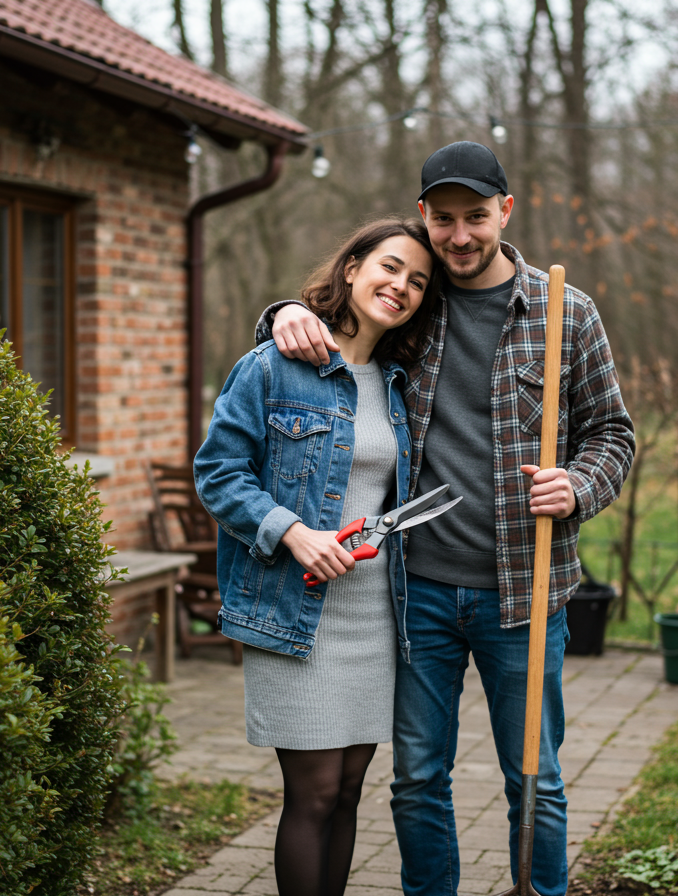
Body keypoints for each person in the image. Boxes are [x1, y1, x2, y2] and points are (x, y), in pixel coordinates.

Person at [256, 142, 635, 896]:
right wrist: (285, 312)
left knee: (537, 780)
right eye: (444, 219)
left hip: (523, 593)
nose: (460, 236)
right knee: (418, 779)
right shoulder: (412, 304)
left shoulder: (567, 312)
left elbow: (613, 434)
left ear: (506, 212)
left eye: (476, 217)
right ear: (424, 216)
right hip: (415, 592)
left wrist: (579, 486)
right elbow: (339, 325)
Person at [194, 218, 442, 896]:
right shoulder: (274, 364)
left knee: (349, 791)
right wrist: (293, 531)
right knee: (312, 794)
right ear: (354, 266)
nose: (402, 286)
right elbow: (217, 472)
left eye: (418, 281)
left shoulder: (400, 381)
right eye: (390, 267)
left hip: (375, 615)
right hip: (292, 607)